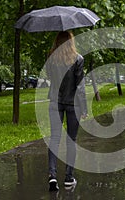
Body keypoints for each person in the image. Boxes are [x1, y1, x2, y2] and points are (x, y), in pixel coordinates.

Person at [46, 31, 87, 191]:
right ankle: (69, 178)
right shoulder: (78, 59)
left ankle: (52, 175)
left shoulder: (51, 59)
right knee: (71, 140)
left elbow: (50, 78)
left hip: (55, 102)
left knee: (54, 139)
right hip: (73, 104)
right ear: (71, 42)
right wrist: (83, 108)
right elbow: (80, 87)